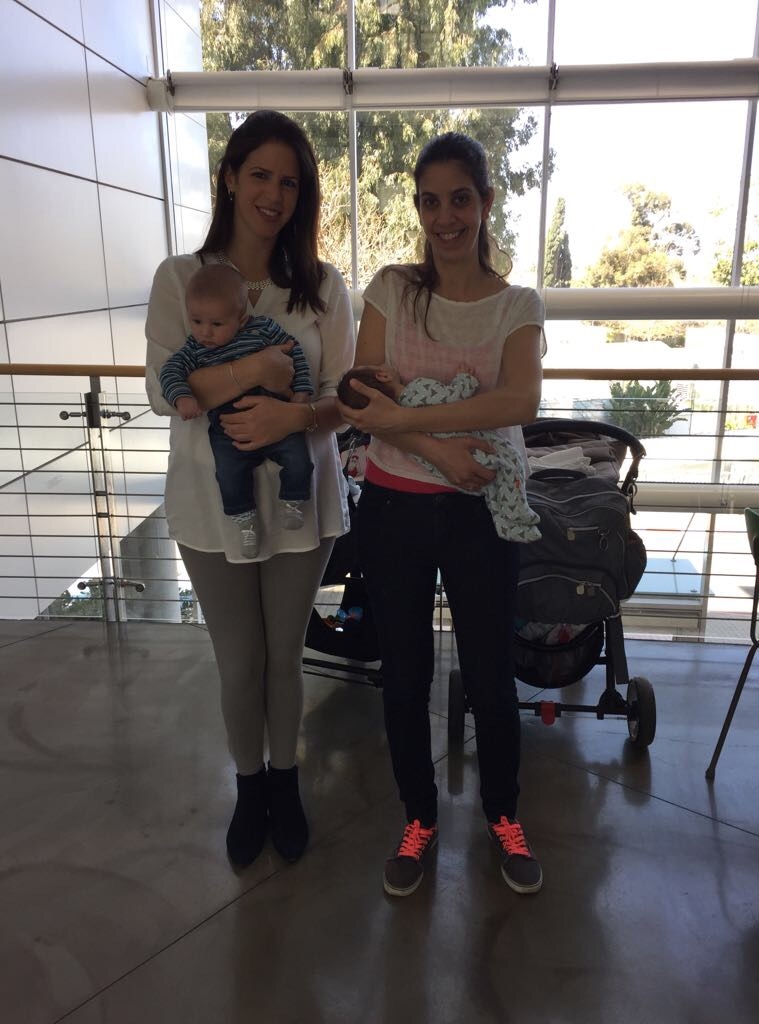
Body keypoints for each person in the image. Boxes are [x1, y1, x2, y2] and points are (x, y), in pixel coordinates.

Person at [337, 131, 546, 898]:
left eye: (460, 199)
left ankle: (503, 816)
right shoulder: (392, 289)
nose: (445, 217)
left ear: (486, 202)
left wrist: (409, 420)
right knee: (403, 677)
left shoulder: (518, 305)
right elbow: (360, 400)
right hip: (394, 508)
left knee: (491, 678)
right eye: (430, 201)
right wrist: (441, 452)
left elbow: (520, 400)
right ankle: (418, 819)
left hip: (481, 514)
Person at [145, 109, 355, 870]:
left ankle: (286, 781)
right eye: (260, 174)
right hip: (211, 505)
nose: (273, 194)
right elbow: (164, 390)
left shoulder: (322, 286)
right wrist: (257, 371)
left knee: (284, 657)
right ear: (230, 178)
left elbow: (343, 397)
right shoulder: (180, 279)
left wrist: (292, 414)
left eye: (289, 182)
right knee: (239, 661)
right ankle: (249, 785)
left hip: (302, 500)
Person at [159, 263, 315, 557]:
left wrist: (301, 393)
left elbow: (295, 353)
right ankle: (245, 522)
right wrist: (182, 398)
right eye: (196, 321)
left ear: (241, 319)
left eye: (217, 324)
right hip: (227, 424)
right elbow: (169, 372)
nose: (205, 332)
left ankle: (293, 500)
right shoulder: (195, 348)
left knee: (299, 459)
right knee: (229, 474)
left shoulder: (264, 329)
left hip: (279, 413)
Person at [337, 362, 541, 543]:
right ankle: (517, 519)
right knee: (510, 464)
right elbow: (453, 396)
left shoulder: (391, 424)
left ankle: (505, 519)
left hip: (441, 470)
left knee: (493, 489)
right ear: (383, 375)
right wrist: (465, 379)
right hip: (472, 446)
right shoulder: (417, 389)